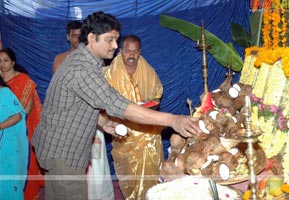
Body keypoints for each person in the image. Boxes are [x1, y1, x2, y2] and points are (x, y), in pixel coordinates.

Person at [31, 11, 200, 200]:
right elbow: (117, 104)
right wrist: (173, 120)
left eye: (116, 40)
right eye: (110, 40)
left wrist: (103, 123)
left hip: (56, 148)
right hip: (63, 153)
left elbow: (76, 103)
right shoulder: (81, 69)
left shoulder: (85, 61)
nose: (114, 46)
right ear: (91, 38)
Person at [104, 34, 164, 199]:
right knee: (128, 175)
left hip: (148, 132)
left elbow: (156, 98)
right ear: (121, 51)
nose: (131, 55)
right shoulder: (108, 74)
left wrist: (149, 105)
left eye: (135, 52)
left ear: (140, 52)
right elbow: (102, 104)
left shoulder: (148, 71)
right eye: (128, 51)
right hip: (123, 131)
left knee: (151, 172)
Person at [0, 48, 44, 200]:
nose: (2, 64)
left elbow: (28, 108)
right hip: (4, 131)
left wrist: (14, 123)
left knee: (23, 162)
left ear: (12, 62)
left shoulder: (23, 80)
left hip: (22, 128)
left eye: (5, 60)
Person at [0, 76, 29, 199]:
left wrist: (0, 126)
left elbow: (17, 116)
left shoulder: (4, 93)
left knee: (9, 182)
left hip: (7, 146)